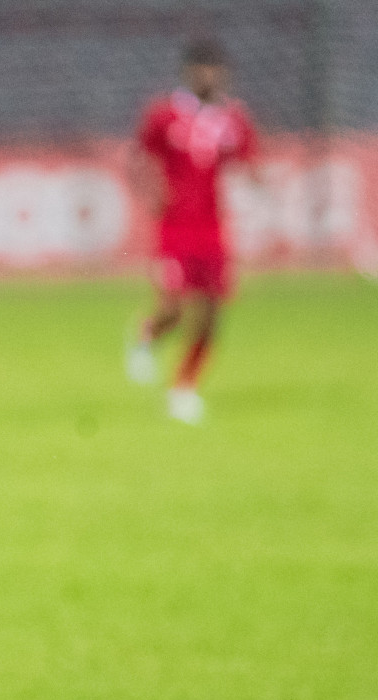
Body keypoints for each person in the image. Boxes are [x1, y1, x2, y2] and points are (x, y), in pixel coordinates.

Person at [126, 38, 260, 425]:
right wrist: (153, 191)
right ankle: (146, 334)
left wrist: (259, 185)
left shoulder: (232, 118)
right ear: (188, 72)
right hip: (174, 229)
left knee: (212, 314)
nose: (211, 77)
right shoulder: (164, 114)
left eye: (217, 70)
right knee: (175, 308)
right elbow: (138, 159)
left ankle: (183, 388)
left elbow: (250, 163)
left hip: (213, 229)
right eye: (204, 69)